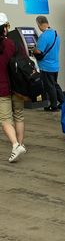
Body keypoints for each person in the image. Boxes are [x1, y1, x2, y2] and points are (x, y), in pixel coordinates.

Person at [0, 13, 26, 162]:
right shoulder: (13, 43)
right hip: (17, 87)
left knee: (5, 119)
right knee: (19, 115)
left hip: (2, 89)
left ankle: (15, 145)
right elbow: (24, 62)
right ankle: (20, 144)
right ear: (4, 28)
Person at [33, 15, 63, 112]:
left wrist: (33, 50)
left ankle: (53, 106)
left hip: (46, 66)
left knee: (50, 87)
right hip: (55, 65)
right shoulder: (55, 33)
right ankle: (63, 102)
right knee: (54, 84)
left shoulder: (44, 36)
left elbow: (38, 51)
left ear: (39, 24)